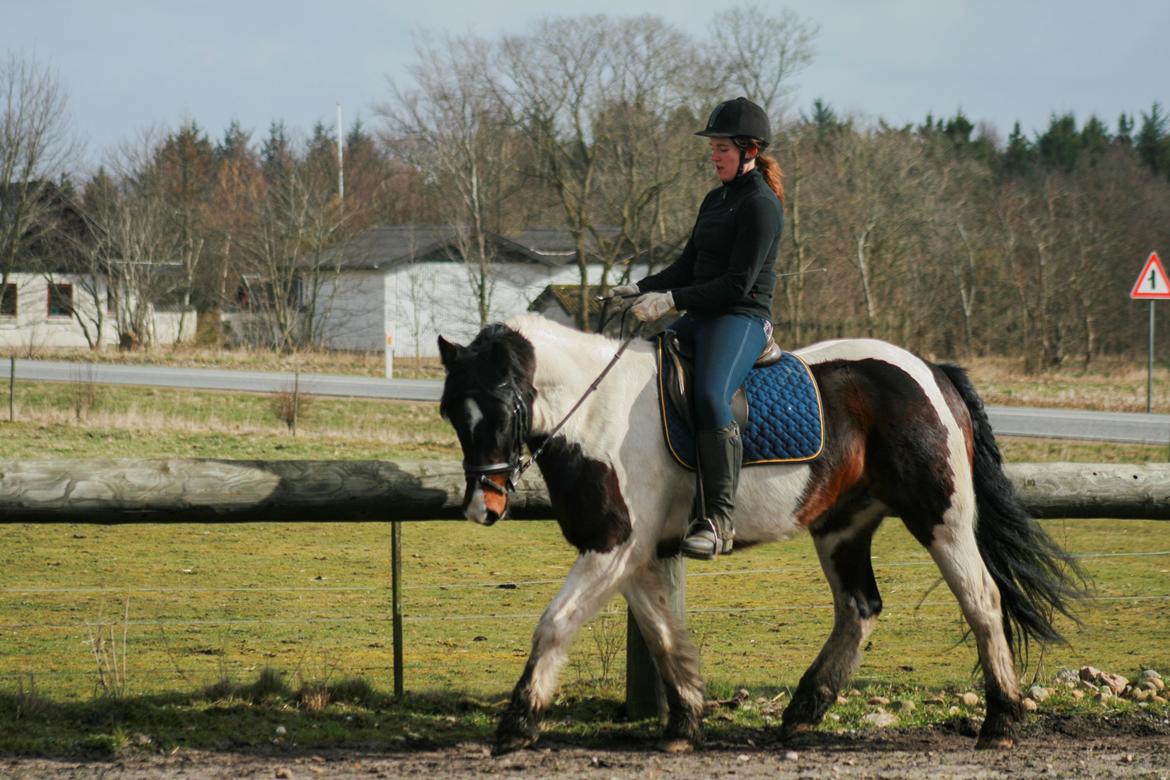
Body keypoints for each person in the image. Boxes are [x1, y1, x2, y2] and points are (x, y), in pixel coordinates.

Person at [609, 96, 784, 559]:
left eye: (722, 148)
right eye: (713, 148)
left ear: (749, 150)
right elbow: (688, 266)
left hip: (742, 317)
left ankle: (718, 518)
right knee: (641, 370)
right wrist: (639, 287)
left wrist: (671, 301)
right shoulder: (715, 199)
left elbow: (734, 284)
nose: (714, 155)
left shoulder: (761, 205)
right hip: (701, 314)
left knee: (709, 395)